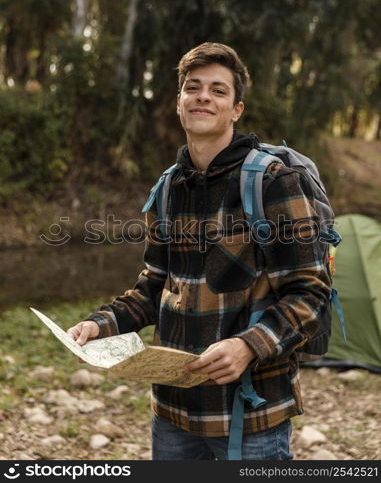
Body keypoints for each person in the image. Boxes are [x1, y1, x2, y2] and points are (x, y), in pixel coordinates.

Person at [67, 42, 331, 460]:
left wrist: (249, 345)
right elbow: (155, 286)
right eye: (193, 87)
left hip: (251, 413)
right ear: (179, 102)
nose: (203, 96)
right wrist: (100, 325)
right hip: (173, 412)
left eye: (218, 90)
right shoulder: (169, 188)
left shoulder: (274, 183)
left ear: (236, 109)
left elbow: (310, 295)